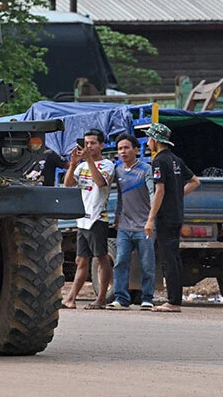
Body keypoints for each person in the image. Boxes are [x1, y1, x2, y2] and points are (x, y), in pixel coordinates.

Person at [143, 122, 201, 313]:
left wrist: (150, 219)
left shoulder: (158, 161)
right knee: (174, 257)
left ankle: (173, 301)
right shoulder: (176, 160)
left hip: (165, 216)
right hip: (177, 214)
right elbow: (195, 182)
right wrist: (177, 194)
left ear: (156, 140)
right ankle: (175, 298)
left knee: (169, 259)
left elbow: (159, 190)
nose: (148, 142)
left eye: (149, 138)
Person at [61, 128, 115, 310]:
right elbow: (68, 184)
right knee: (81, 260)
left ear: (101, 145)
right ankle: (71, 298)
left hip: (97, 218)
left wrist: (89, 160)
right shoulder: (82, 166)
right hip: (82, 219)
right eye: (86, 143)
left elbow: (100, 183)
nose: (88, 146)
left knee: (101, 258)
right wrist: (73, 164)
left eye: (92, 143)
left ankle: (101, 298)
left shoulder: (107, 164)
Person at [106, 134, 156, 310]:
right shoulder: (117, 170)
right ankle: (121, 298)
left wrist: (151, 219)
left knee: (147, 263)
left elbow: (153, 194)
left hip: (144, 227)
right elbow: (119, 196)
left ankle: (147, 298)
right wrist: (117, 217)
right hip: (124, 227)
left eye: (127, 147)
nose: (123, 151)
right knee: (120, 262)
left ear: (136, 149)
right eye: (120, 148)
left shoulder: (145, 169)